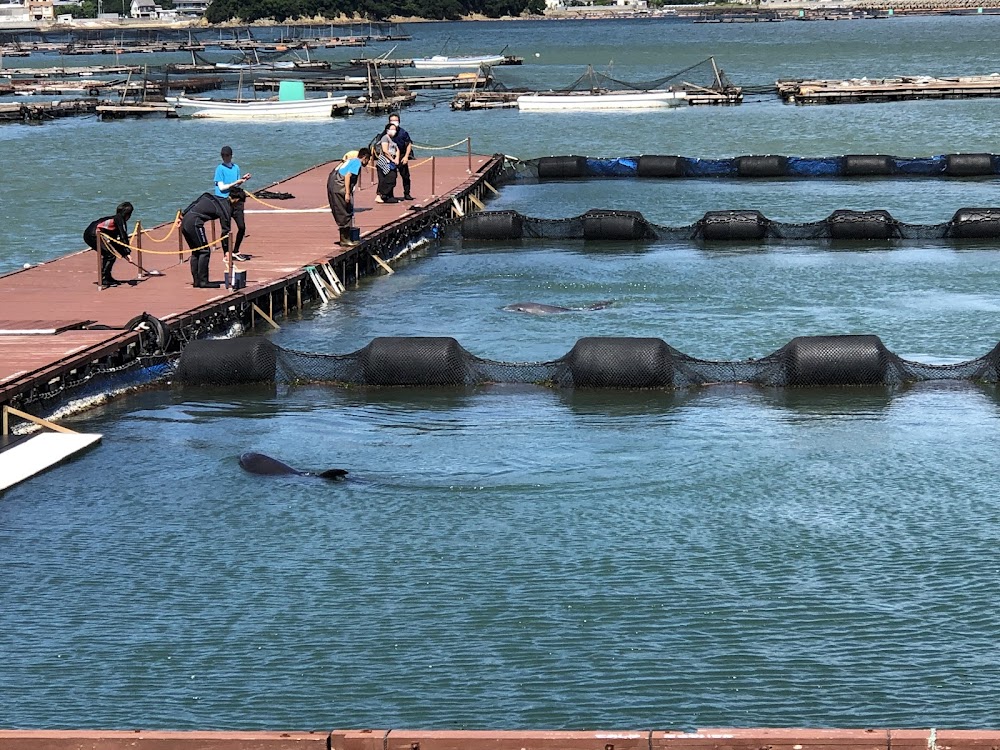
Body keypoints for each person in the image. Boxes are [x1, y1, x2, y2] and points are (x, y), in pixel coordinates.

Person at [181, 186, 245, 288]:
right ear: (236, 200)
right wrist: (226, 252)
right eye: (240, 203)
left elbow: (203, 197)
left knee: (196, 252)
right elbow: (225, 232)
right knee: (204, 251)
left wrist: (184, 213)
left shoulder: (216, 198)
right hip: (195, 223)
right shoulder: (226, 209)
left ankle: (197, 281)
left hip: (186, 221)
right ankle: (203, 282)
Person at [327, 147, 372, 248]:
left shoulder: (351, 160)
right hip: (339, 186)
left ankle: (345, 238)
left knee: (342, 210)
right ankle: (345, 240)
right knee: (345, 212)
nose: (368, 162)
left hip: (332, 184)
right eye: (368, 160)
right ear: (364, 157)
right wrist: (347, 193)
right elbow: (348, 176)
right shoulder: (357, 163)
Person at [214, 145, 251, 263]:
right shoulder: (220, 169)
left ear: (231, 156)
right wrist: (236, 182)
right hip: (223, 200)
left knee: (242, 227)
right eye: (223, 156)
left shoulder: (236, 168)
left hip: (235, 200)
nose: (225, 157)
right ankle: (226, 253)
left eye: (227, 155)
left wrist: (243, 180)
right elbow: (221, 187)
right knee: (226, 229)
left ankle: (235, 250)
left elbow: (235, 185)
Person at [83, 201, 134, 287]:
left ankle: (107, 277)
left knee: (110, 255)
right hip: (91, 235)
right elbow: (123, 236)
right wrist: (127, 252)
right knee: (109, 255)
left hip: (91, 234)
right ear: (128, 215)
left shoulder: (115, 220)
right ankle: (104, 279)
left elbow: (114, 241)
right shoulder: (119, 219)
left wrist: (124, 253)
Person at [388, 113, 414, 201]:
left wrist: (406, 156)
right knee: (391, 176)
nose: (394, 122)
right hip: (390, 156)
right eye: (392, 121)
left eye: (396, 120)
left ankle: (407, 193)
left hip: (402, 155)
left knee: (406, 176)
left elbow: (409, 144)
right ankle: (390, 195)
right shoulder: (386, 132)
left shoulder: (403, 132)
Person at [375, 122, 400, 204]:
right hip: (384, 162)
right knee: (387, 178)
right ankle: (380, 195)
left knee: (393, 177)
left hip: (392, 161)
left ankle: (389, 196)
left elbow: (397, 150)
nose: (394, 131)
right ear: (387, 130)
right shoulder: (385, 138)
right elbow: (385, 151)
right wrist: (392, 159)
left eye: (395, 129)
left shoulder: (393, 139)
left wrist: (396, 158)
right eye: (392, 129)